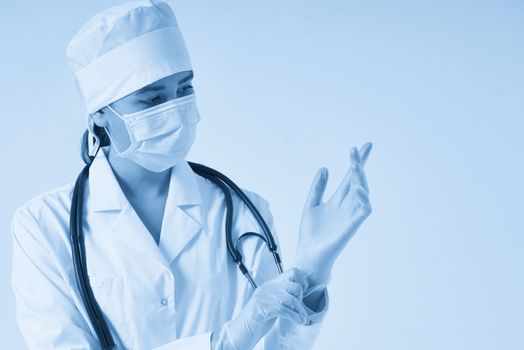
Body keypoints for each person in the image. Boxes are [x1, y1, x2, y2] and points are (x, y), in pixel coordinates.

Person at [10, 1, 373, 349]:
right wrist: (226, 342)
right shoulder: (43, 227)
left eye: (184, 89)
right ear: (100, 113)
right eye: (152, 100)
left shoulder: (245, 212)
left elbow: (279, 345)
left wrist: (311, 271)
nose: (175, 110)